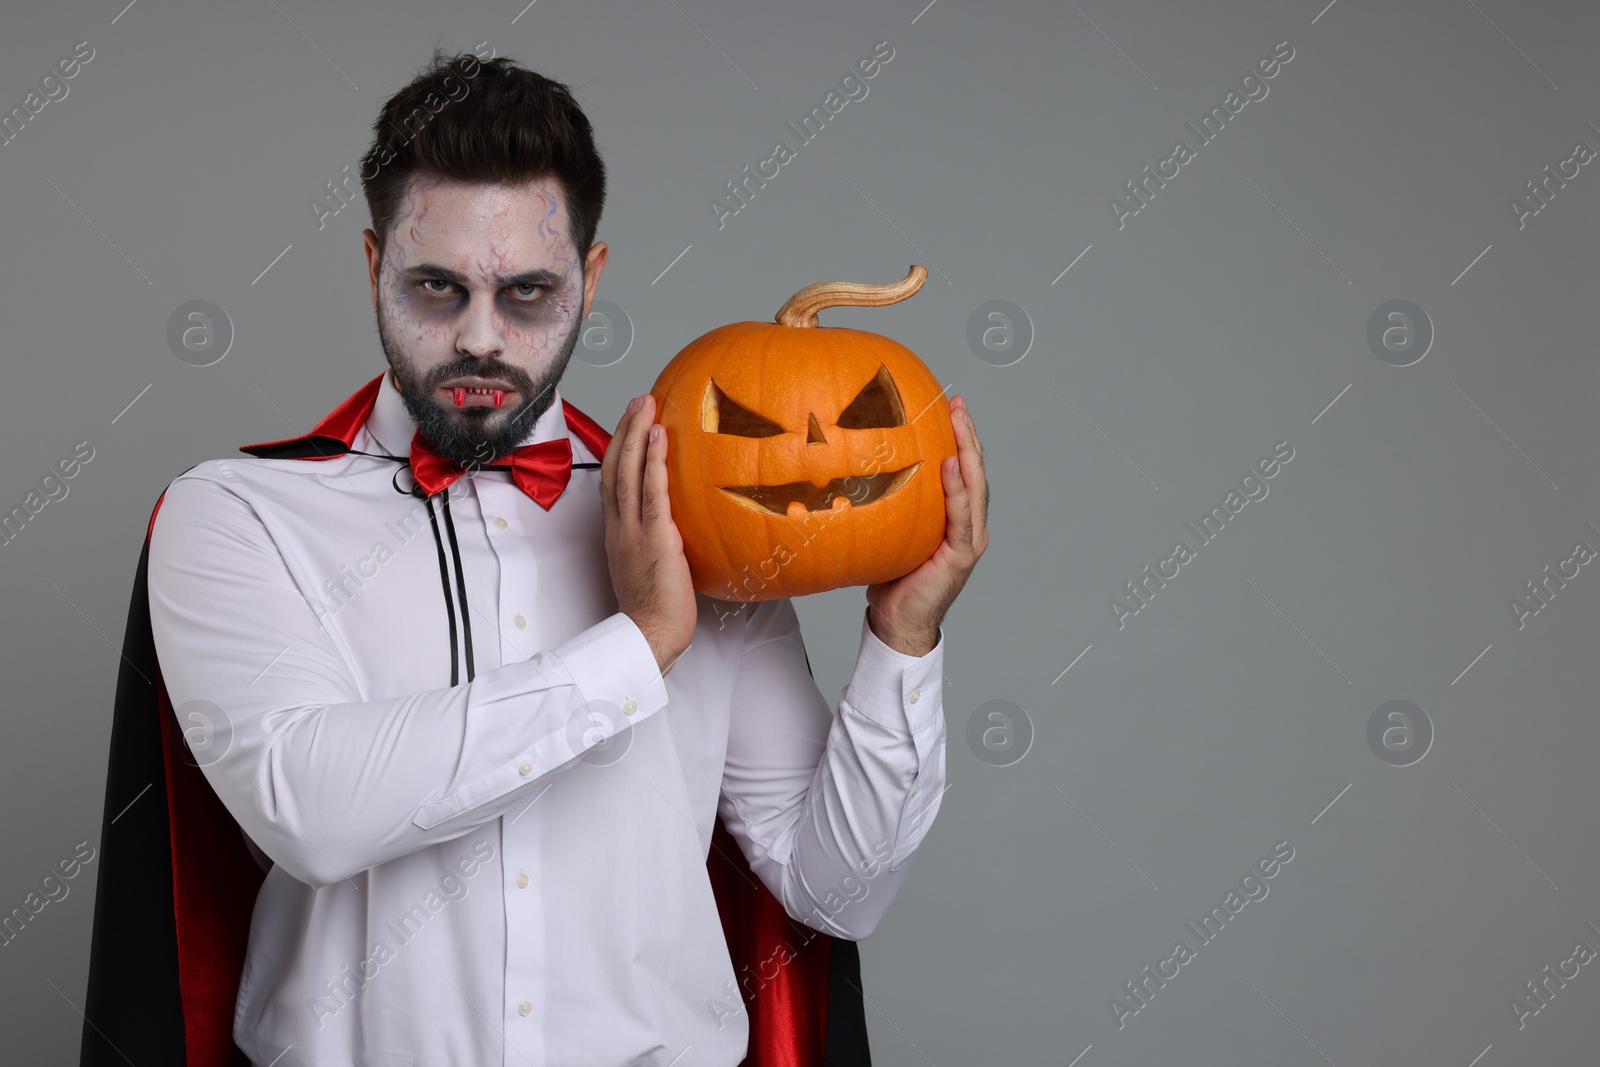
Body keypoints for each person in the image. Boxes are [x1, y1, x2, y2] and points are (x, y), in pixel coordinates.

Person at [81, 47, 987, 1067]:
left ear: (590, 279)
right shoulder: (238, 514)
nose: (479, 337)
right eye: (435, 287)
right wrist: (637, 647)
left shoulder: (703, 521)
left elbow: (837, 890)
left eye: (526, 293)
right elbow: (311, 810)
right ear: (372, 265)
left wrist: (902, 640)